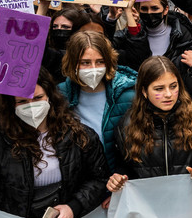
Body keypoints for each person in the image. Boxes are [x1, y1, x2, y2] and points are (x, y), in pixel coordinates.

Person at [0, 70, 108, 218]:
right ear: (11, 105)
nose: (31, 106)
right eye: (22, 101)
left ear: (50, 96)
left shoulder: (78, 134)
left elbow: (100, 179)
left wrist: (74, 207)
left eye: (37, 98)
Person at [107, 56, 192, 192]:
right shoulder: (126, 125)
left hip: (188, 201)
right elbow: (125, 165)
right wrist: (119, 179)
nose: (168, 94)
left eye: (173, 86)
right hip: (148, 204)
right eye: (159, 89)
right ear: (144, 91)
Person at [57, 31, 137, 170]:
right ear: (73, 63)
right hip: (84, 179)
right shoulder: (60, 95)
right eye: (85, 63)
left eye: (100, 62)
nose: (93, 69)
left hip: (120, 176)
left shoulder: (127, 95)